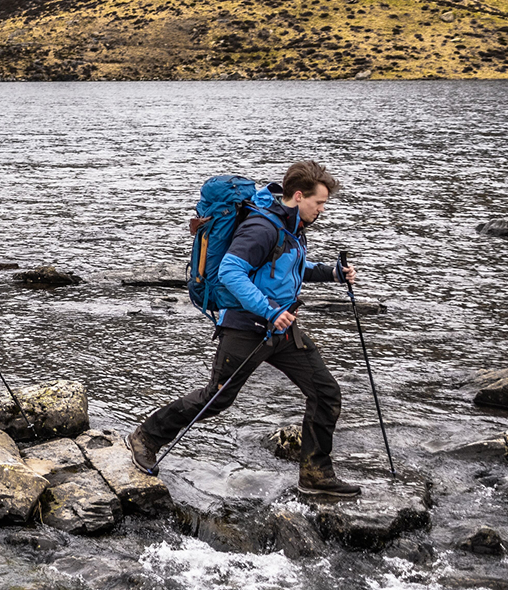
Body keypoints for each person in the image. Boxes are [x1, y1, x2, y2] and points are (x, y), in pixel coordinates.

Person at [128, 160, 362, 498]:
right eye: (320, 202)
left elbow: (287, 267)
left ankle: (315, 474)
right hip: (246, 327)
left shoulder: (290, 225)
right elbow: (230, 271)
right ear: (299, 195)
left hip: (280, 329)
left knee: (325, 392)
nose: (323, 209)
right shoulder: (262, 227)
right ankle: (146, 437)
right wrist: (268, 310)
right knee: (216, 399)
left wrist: (333, 274)